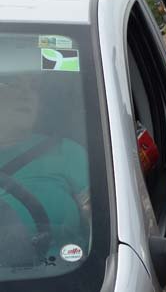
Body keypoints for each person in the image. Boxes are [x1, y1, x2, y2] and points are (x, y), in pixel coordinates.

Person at [0, 73, 89, 270]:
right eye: (11, 81)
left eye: (34, 86)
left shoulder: (66, 153)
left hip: (60, 281)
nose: (26, 93)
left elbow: (100, 228)